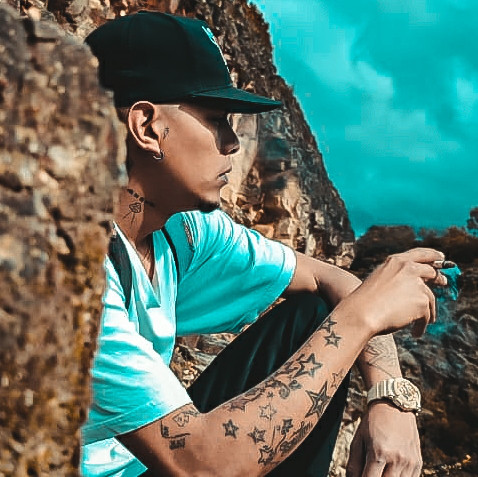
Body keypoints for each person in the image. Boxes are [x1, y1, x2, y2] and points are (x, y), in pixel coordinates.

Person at [82, 11, 447, 477]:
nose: (233, 143)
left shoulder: (182, 233)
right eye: (216, 120)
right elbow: (199, 466)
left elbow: (331, 280)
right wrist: (364, 316)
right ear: (148, 127)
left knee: (313, 315)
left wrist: (390, 396)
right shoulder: (72, 267)